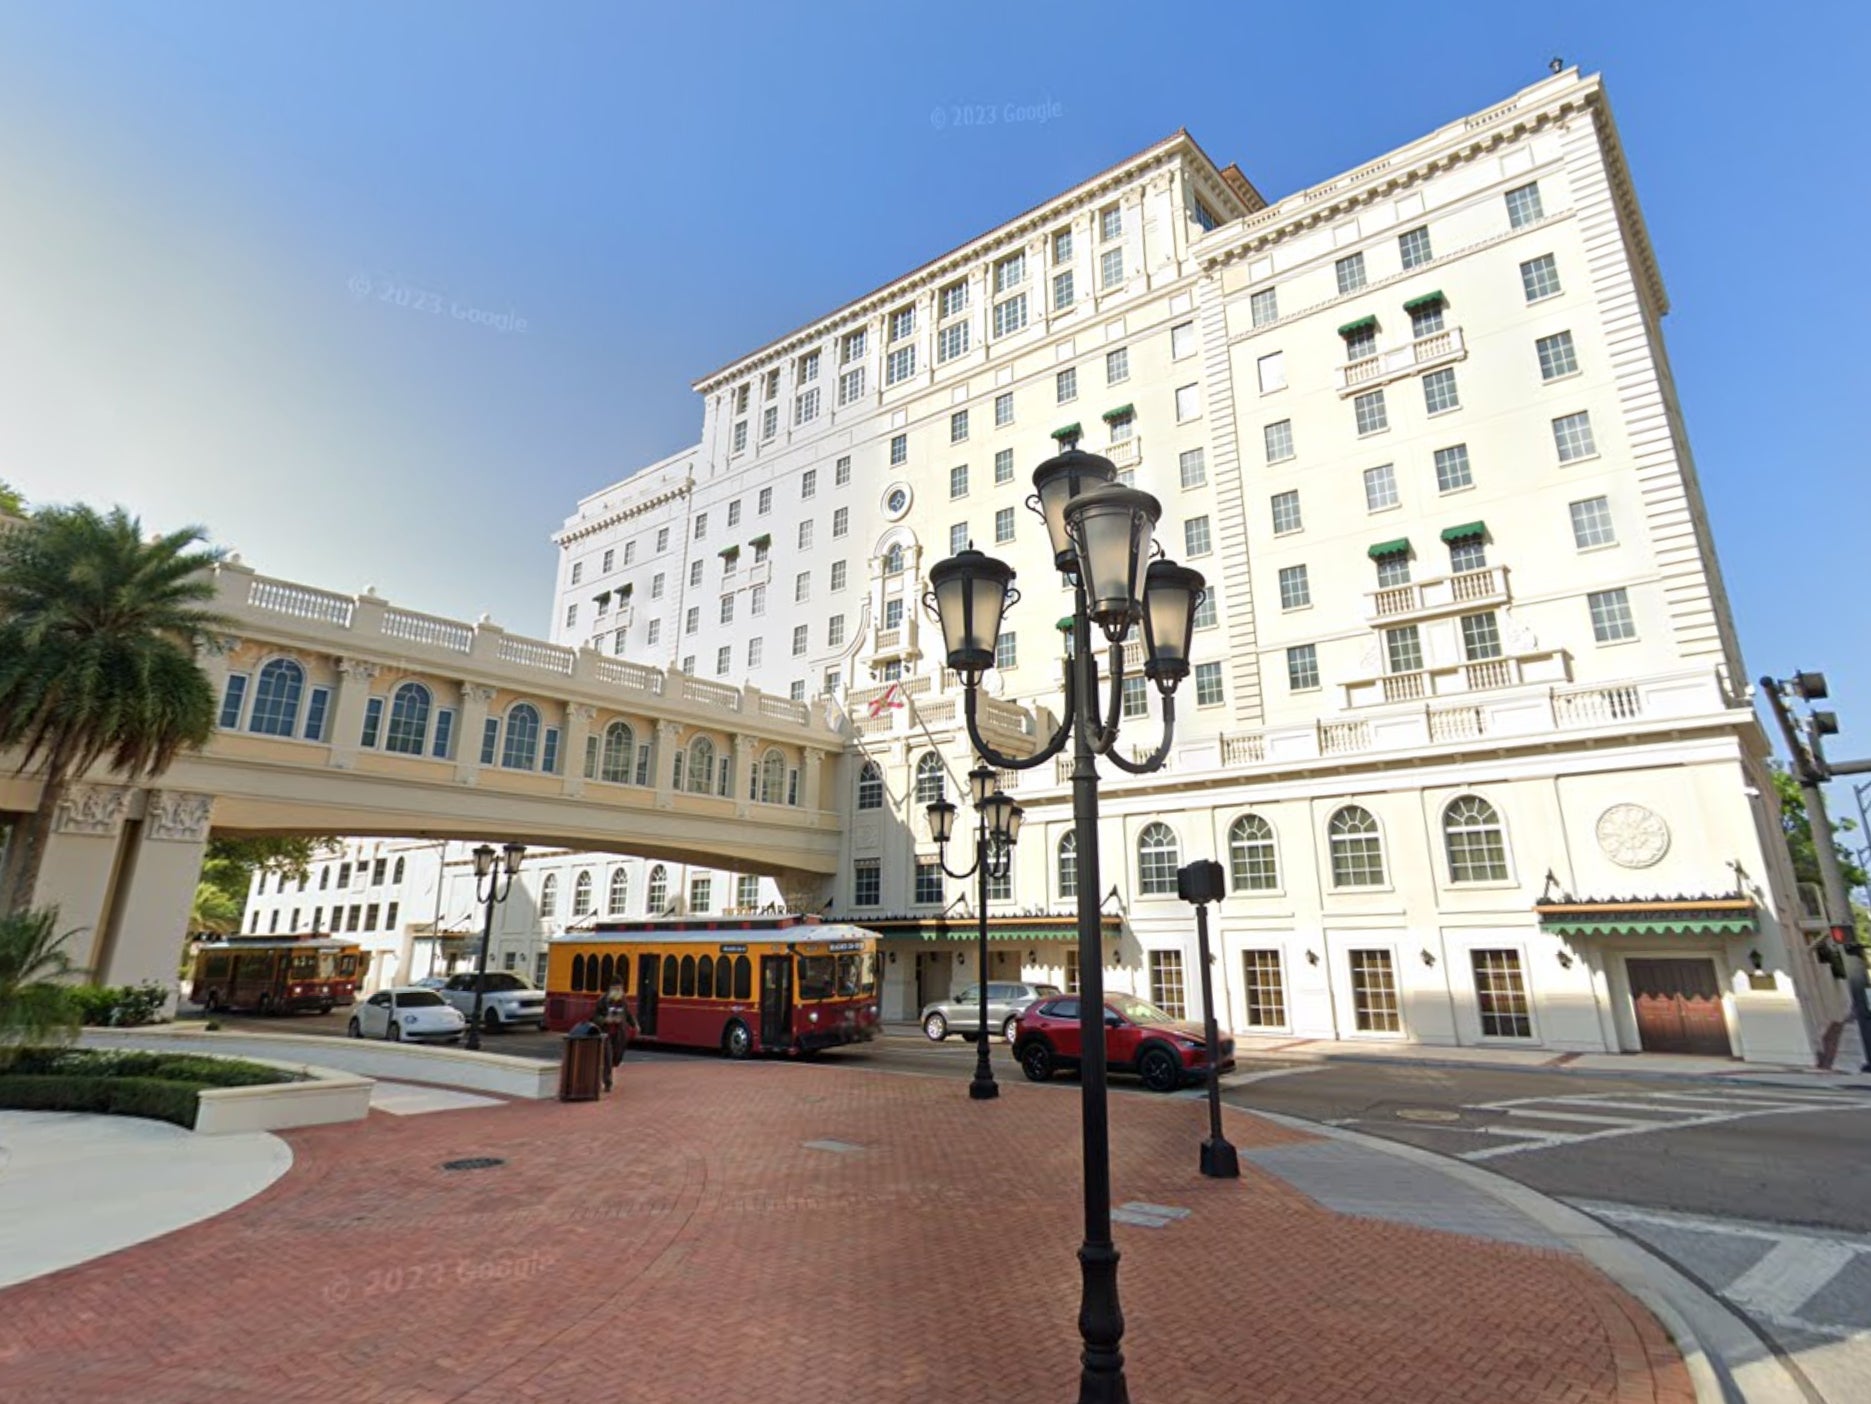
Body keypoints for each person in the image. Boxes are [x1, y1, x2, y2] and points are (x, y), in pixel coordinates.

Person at [593, 982, 636, 1091]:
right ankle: (607, 1081)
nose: (618, 991)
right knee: (607, 1057)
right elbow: (595, 1016)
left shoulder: (622, 1001)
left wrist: (634, 1024)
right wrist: (604, 1020)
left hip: (619, 1034)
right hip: (606, 1033)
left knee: (616, 1057)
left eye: (620, 989)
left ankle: (611, 1067)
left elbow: (628, 1013)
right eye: (616, 989)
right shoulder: (602, 1000)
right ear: (610, 989)